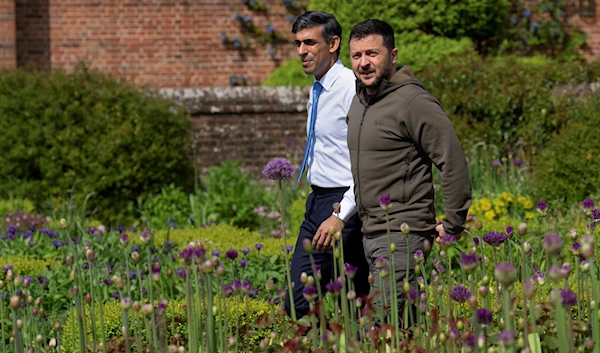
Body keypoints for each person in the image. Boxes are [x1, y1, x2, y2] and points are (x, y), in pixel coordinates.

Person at [346, 19, 472, 324]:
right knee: (405, 327)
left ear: (393, 55)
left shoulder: (412, 101)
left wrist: (453, 222)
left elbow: (451, 158)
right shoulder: (360, 101)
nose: (364, 63)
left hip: (402, 234)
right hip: (369, 231)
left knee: (386, 328)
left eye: (372, 53)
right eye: (356, 55)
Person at [284, 11, 370, 320]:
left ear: (333, 44)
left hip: (343, 203)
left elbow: (367, 161)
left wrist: (340, 214)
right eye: (298, 44)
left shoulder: (350, 87)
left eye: (309, 42)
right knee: (345, 299)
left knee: (328, 300)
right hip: (318, 200)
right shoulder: (319, 87)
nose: (301, 51)